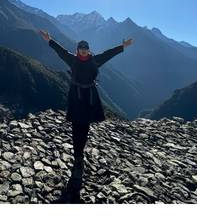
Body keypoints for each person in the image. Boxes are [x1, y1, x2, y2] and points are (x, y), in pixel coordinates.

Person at [39, 29, 133, 180]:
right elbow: (60, 50)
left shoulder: (94, 60)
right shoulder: (72, 59)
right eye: (81, 49)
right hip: (77, 96)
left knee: (85, 126)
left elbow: (109, 53)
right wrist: (49, 39)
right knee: (77, 126)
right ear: (78, 50)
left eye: (85, 49)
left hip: (88, 96)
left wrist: (122, 46)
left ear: (88, 50)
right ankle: (78, 155)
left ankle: (79, 153)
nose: (83, 51)